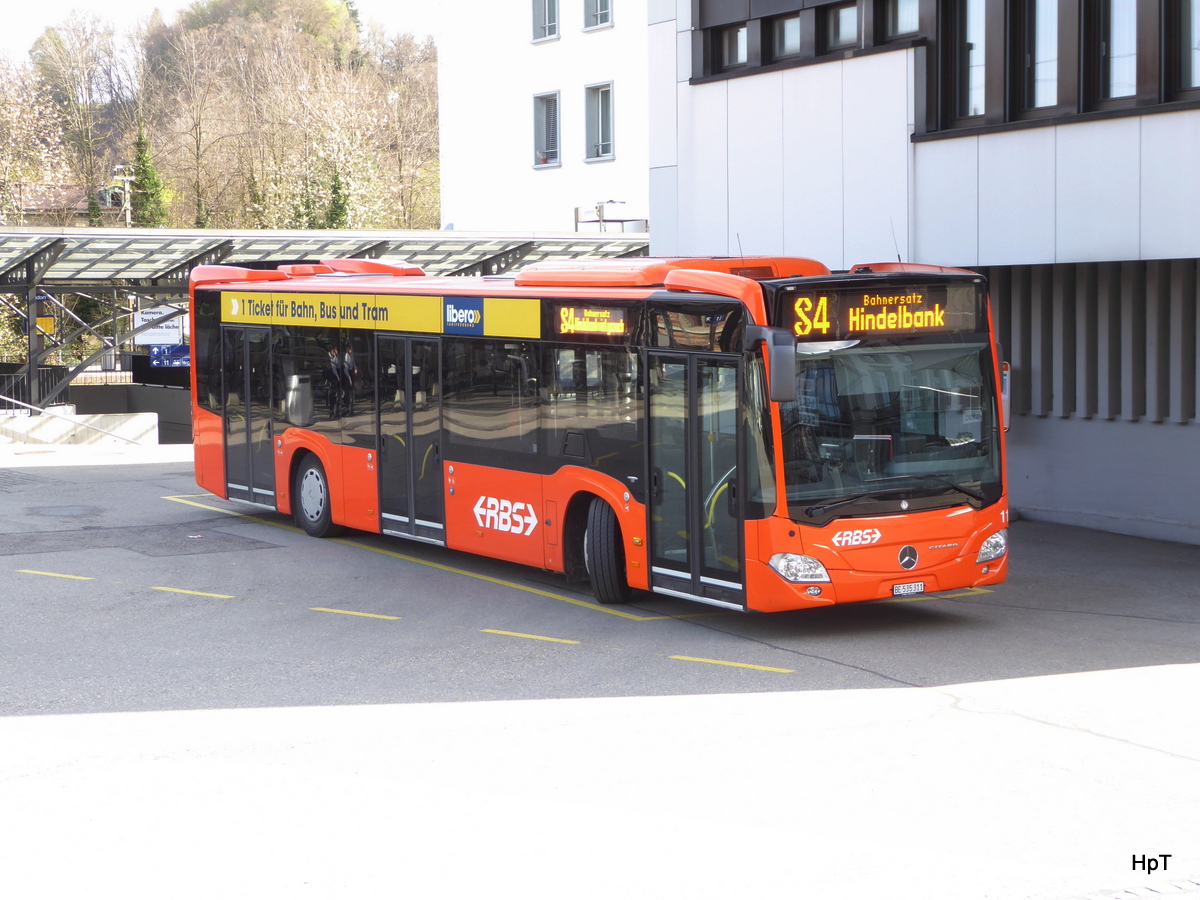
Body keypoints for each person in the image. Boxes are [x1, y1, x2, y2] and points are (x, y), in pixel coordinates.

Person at [325, 344, 343, 419]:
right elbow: (333, 368)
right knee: (332, 395)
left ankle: (335, 411)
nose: (334, 352)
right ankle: (332, 411)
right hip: (331, 379)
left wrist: (337, 355)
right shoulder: (328, 358)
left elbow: (338, 365)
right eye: (333, 350)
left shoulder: (335, 357)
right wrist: (338, 377)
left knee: (337, 395)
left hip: (335, 379)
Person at [341, 343, 358, 416]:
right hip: (347, 375)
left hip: (351, 372)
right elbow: (346, 369)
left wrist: (355, 368)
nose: (352, 350)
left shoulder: (351, 355)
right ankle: (348, 408)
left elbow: (353, 362)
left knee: (351, 393)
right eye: (351, 349)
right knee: (348, 393)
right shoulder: (346, 356)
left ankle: (351, 409)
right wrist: (350, 379)